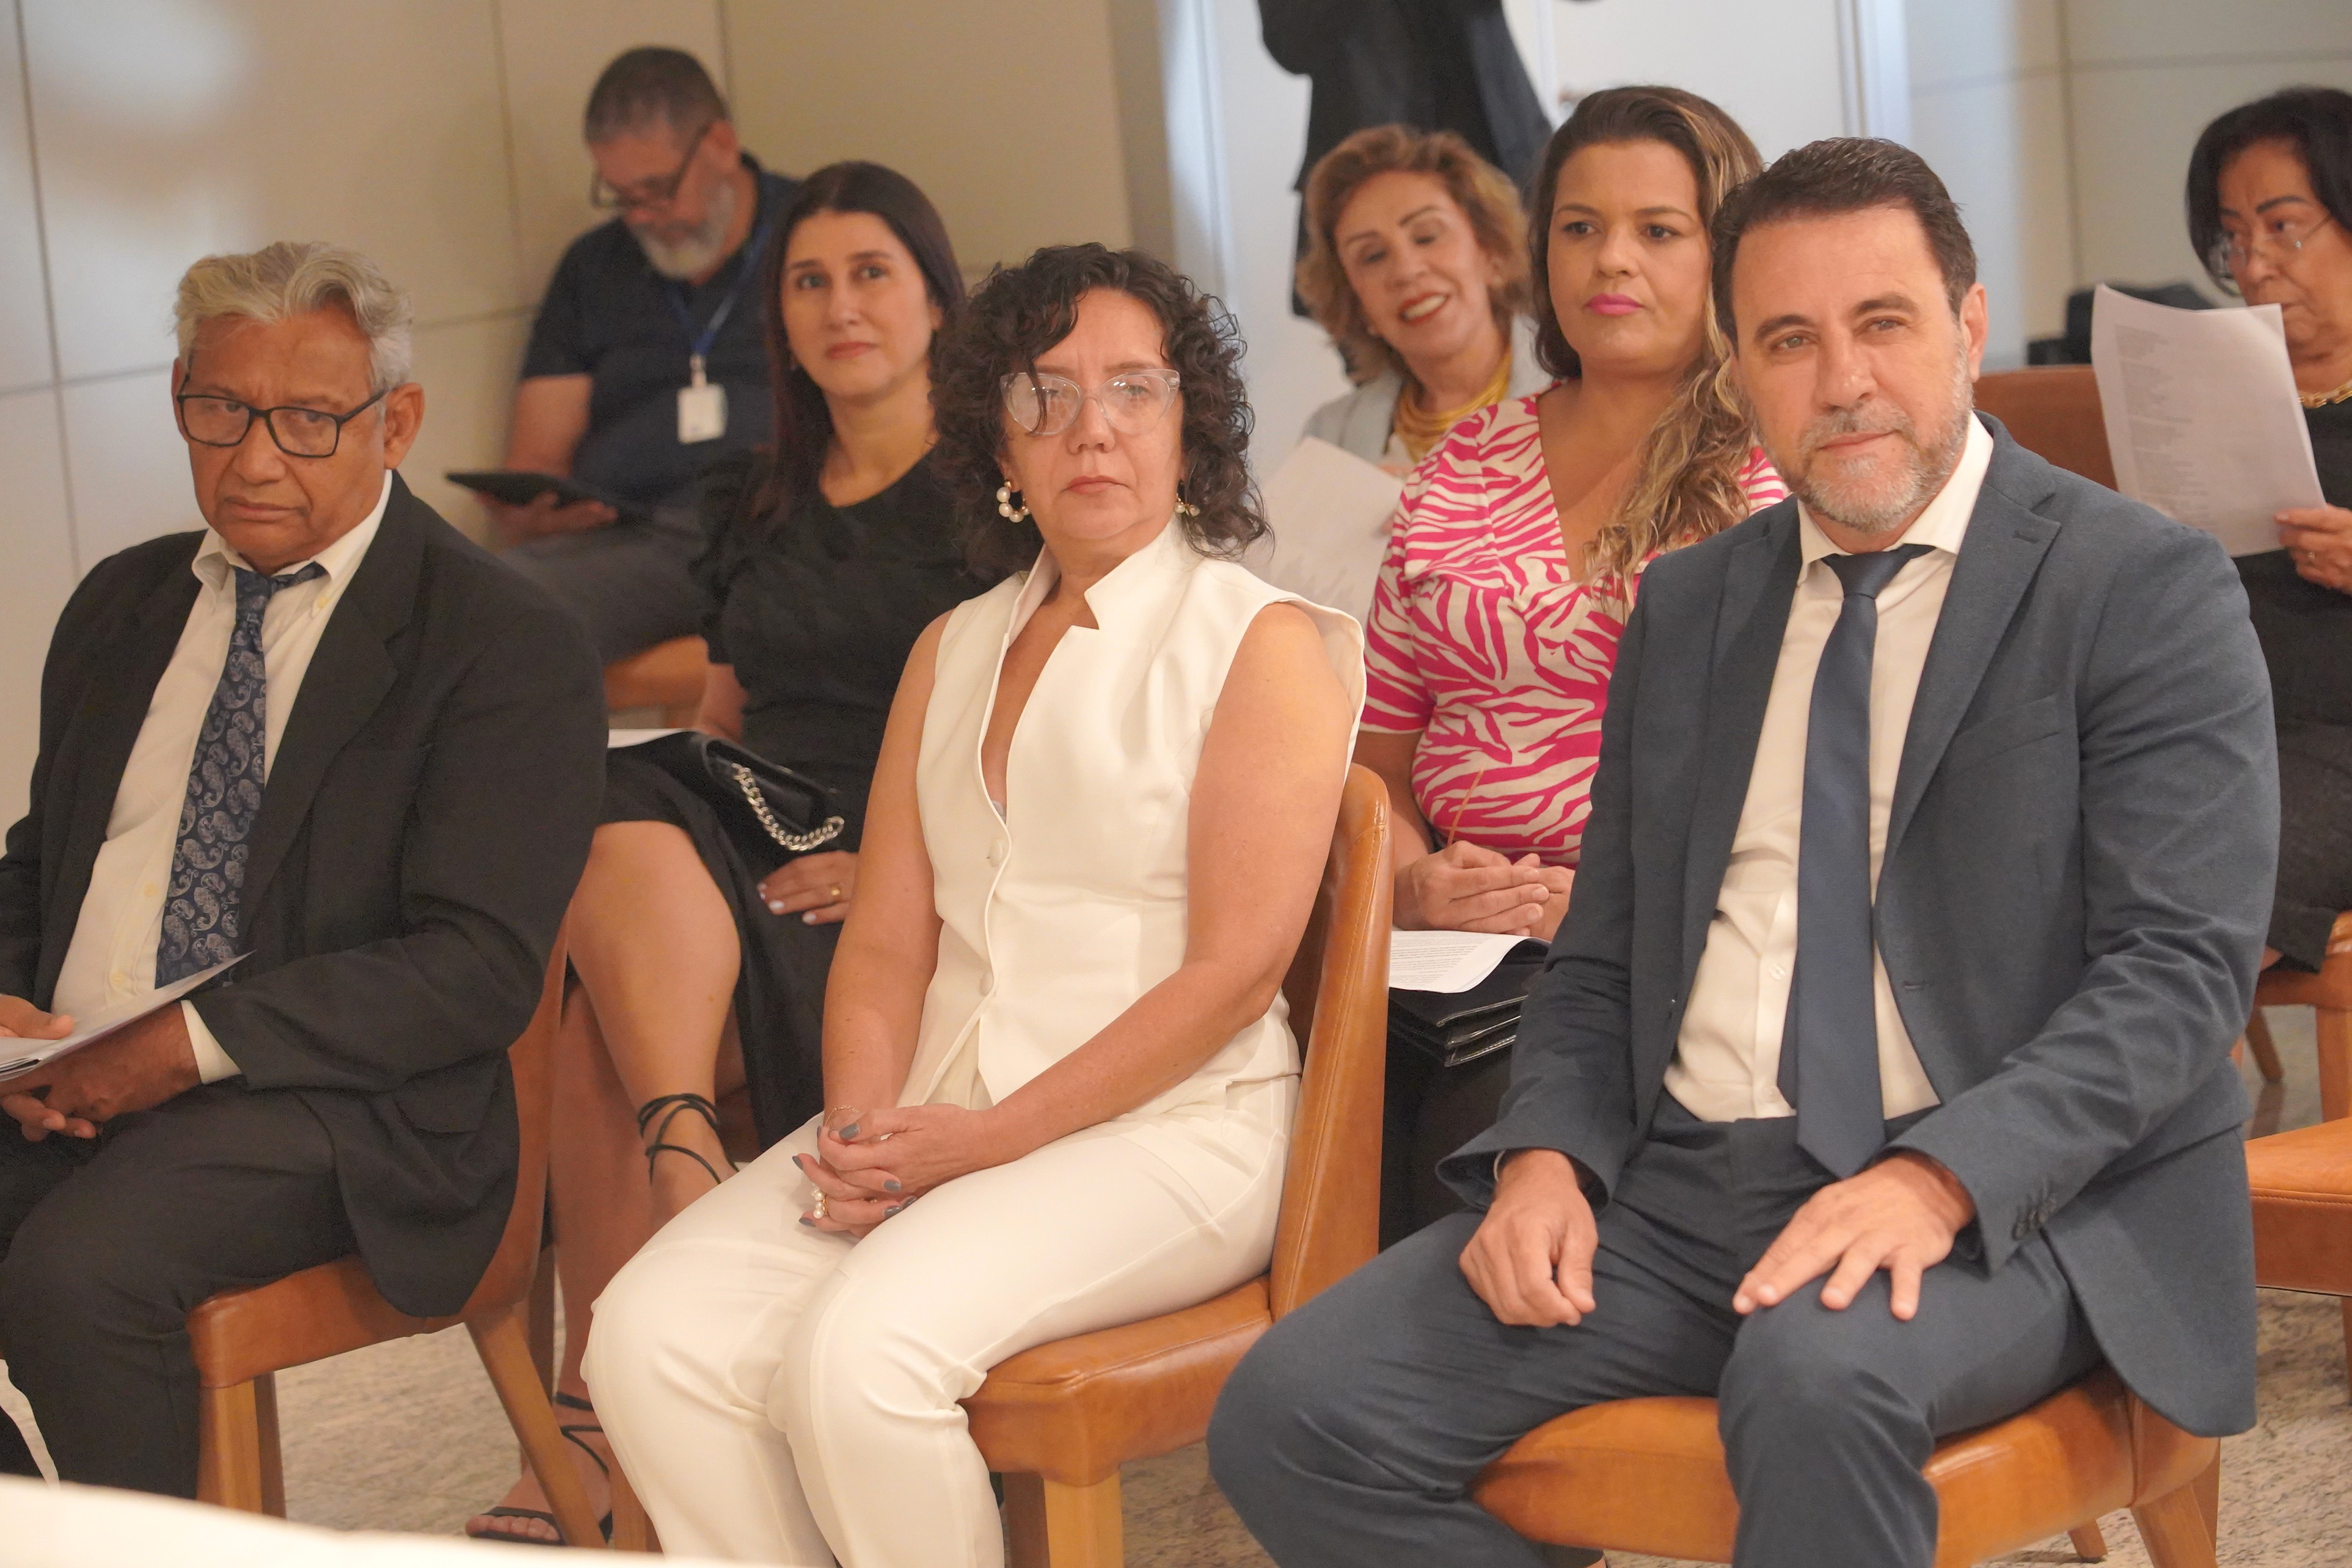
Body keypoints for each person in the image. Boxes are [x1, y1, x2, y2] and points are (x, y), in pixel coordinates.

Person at [1209, 137, 2276, 1568]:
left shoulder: (2137, 582)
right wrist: (1545, 1156)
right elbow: (1603, 946)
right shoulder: (1693, 604)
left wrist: (1936, 1176)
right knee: (1292, 1408)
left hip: (2008, 1193)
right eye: (1787, 339)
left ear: (1966, 325)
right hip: (1674, 1185)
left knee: (1815, 1380)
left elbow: (2178, 972)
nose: (1840, 381)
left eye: (1882, 323)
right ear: (1738, 367)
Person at [582, 242, 1361, 1565]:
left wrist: (988, 1141)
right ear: (998, 442)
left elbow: (1233, 972)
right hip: (937, 1112)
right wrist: (857, 1131)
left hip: (1175, 1132)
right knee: (647, 1336)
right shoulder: (951, 647)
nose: (1090, 428)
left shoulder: (1259, 639)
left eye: (1132, 388)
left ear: (1190, 427)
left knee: (859, 1358)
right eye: (1043, 394)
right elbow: (888, 941)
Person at [0, 243, 605, 1497]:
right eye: (222, 410)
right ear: (179, 397)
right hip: (67, 1072)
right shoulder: (120, 605)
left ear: (398, 422)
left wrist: (179, 1047)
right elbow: (40, 863)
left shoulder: (499, 639)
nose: (256, 459)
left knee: (75, 1274)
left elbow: (475, 966)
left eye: (310, 420)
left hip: (341, 1106)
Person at [466, 163, 989, 1544]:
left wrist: (892, 863)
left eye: (871, 273)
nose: (839, 306)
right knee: (606, 797)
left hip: (899, 862)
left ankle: (595, 1412)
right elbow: (721, 719)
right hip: (752, 825)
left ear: (937, 298)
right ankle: (683, 1165)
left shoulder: (992, 497)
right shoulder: (752, 497)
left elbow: (1023, 737)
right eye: (809, 281)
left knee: (596, 1030)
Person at [1359, 88, 1784, 1241]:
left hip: (1672, 940)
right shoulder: (1458, 467)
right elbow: (1378, 762)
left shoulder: (1773, 473)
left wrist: (1607, 905)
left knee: (1474, 1131)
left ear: (1727, 251)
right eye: (1580, 227)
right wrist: (1410, 882)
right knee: (1307, 1088)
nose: (1612, 260)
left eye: (1659, 229)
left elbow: (1804, 775)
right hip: (1447, 937)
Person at [490, 46, 801, 663]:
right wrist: (540, 514)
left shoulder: (815, 235)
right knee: (470, 596)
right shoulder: (593, 266)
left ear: (720, 144)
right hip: (624, 537)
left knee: (511, 616)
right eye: (620, 195)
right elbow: (535, 458)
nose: (641, 217)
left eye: (657, 190)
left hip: (772, 527)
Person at [1255, 125, 1551, 627]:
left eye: (1427, 236)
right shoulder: (1330, 436)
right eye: (1373, 256)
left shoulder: (1583, 391)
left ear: (1491, 254)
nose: (1407, 269)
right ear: (1357, 302)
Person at [2186, 86, 2352, 975]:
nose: (2252, 267)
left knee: (2196, 887)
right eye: (2233, 239)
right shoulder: (2212, 390)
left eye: (2282, 228)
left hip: (2335, 744)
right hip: (2209, 722)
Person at [1258, 0, 1552, 310]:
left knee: (1541, 313)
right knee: (1375, 324)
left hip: (1501, 143)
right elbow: (1291, 44)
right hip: (1364, 167)